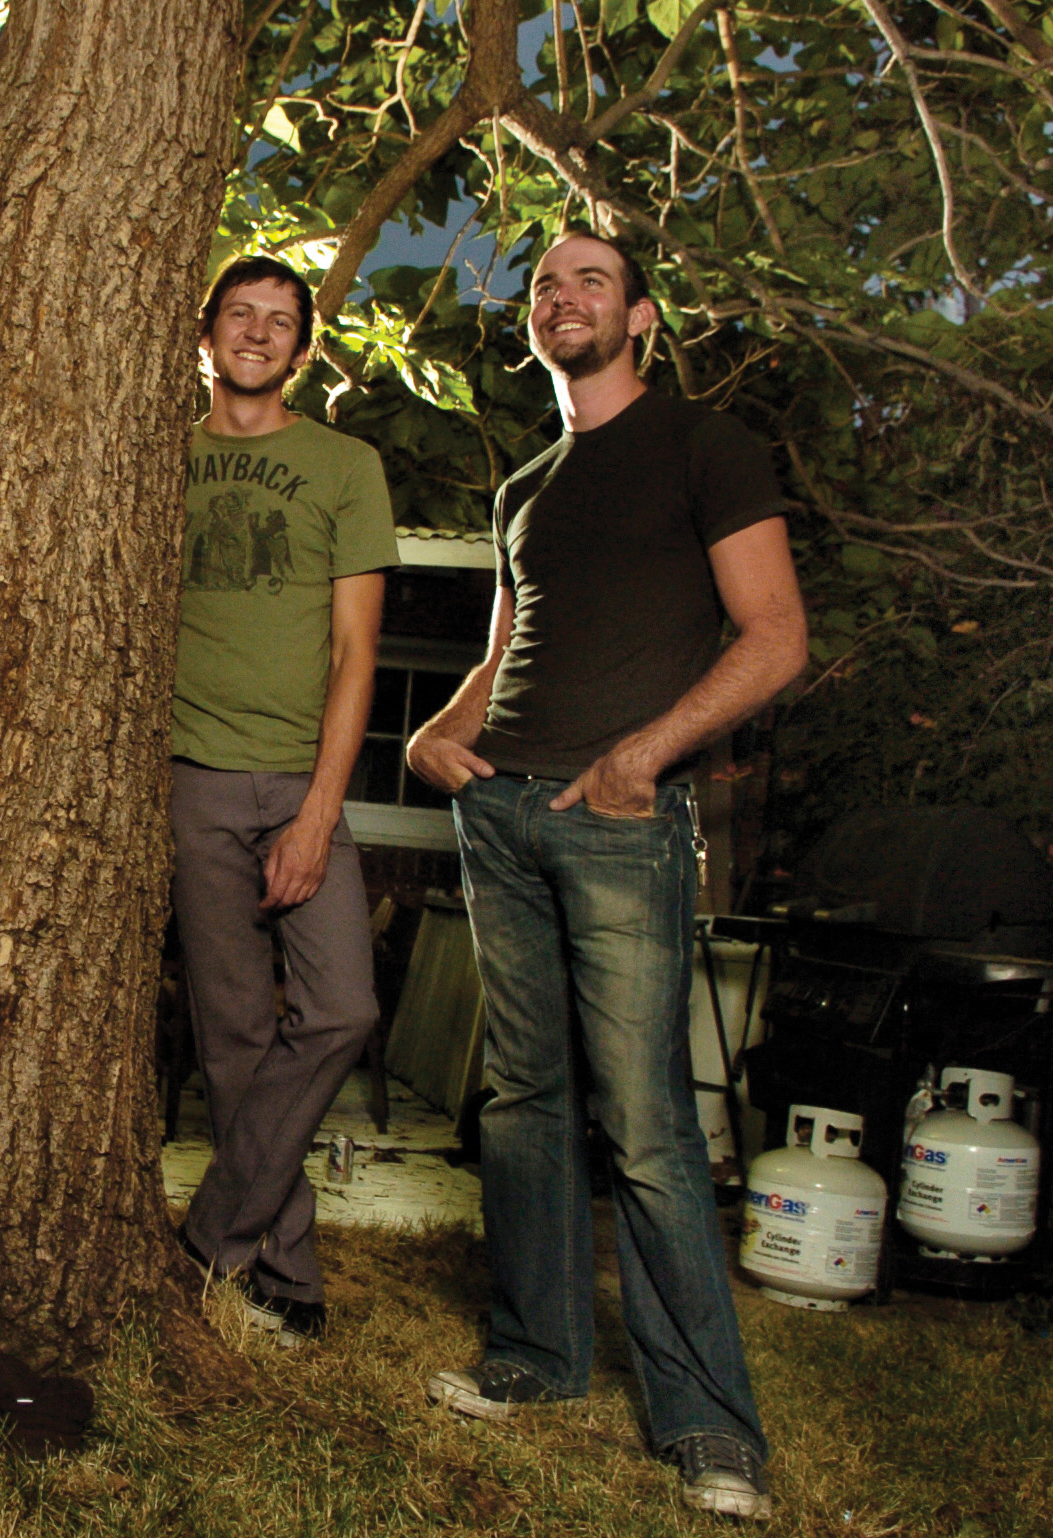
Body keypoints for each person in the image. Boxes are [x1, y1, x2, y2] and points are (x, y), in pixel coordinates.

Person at [406, 231, 807, 1521]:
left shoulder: (704, 447)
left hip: (619, 817)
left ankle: (708, 1426)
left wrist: (643, 756)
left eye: (587, 279)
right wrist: (437, 733)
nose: (560, 297)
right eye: (541, 286)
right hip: (502, 812)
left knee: (643, 1126)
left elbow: (774, 634)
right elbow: (508, 639)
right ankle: (532, 1356)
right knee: (522, 1100)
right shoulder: (525, 480)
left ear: (635, 312)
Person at [170, 256, 398, 1347]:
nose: (256, 332)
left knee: (342, 1007)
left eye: (278, 320)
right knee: (232, 1035)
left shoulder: (342, 464)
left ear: (301, 348)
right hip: (189, 776)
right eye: (238, 314)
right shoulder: (160, 455)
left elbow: (356, 653)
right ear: (205, 334)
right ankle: (284, 1272)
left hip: (298, 776)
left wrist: (317, 811)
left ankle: (211, 1229)